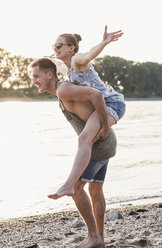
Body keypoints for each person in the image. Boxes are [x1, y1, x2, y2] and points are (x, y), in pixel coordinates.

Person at [29, 57, 117, 248]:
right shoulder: (63, 89)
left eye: (36, 76)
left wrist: (104, 125)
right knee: (95, 189)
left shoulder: (63, 89)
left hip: (99, 145)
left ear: (49, 74)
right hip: (104, 143)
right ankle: (98, 238)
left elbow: (97, 95)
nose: (34, 81)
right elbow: (63, 67)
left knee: (76, 190)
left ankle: (94, 236)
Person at [48, 26, 125, 200]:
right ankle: (72, 187)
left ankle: (69, 185)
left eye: (59, 45)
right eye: (54, 45)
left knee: (84, 138)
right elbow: (56, 64)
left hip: (112, 103)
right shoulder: (67, 67)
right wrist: (46, 60)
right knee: (86, 140)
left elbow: (89, 54)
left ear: (71, 48)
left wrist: (103, 43)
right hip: (101, 105)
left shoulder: (77, 61)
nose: (56, 48)